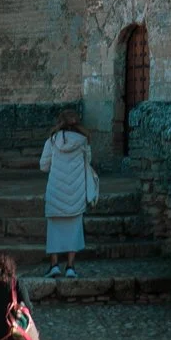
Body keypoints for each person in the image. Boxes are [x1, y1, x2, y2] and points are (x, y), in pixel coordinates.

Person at [38, 107, 98, 280]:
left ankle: (54, 265)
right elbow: (88, 161)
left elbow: (43, 166)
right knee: (74, 229)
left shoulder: (52, 141)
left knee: (54, 229)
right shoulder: (83, 141)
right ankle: (70, 267)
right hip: (76, 191)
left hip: (56, 191)